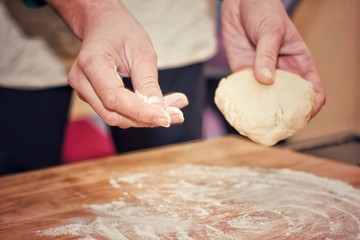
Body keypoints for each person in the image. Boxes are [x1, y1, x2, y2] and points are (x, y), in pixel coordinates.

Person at [0, 0, 325, 174]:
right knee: (20, 187)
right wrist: (91, 8)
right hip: (22, 40)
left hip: (167, 24)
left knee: (168, 184)